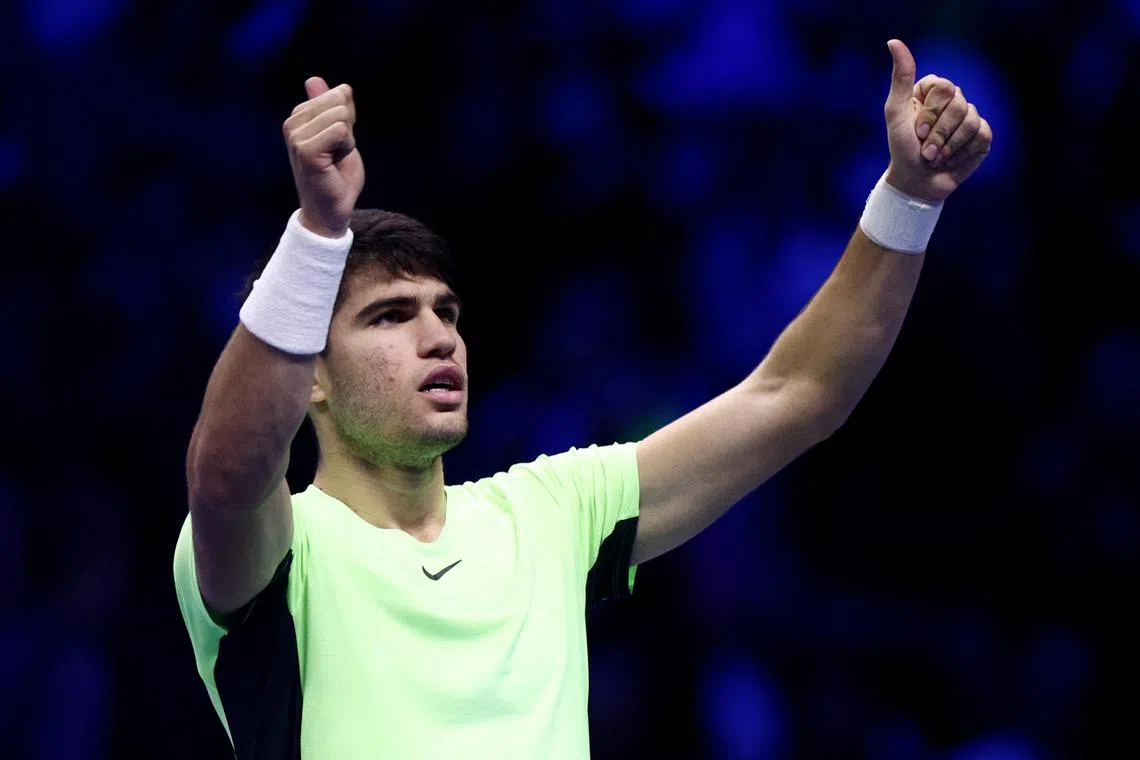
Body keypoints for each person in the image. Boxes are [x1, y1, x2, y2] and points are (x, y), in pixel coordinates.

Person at [173, 38, 992, 760]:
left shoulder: (548, 514)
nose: (439, 338)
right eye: (390, 317)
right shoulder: (287, 549)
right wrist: (317, 233)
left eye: (447, 314)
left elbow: (796, 395)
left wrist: (910, 198)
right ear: (309, 373)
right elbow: (228, 471)